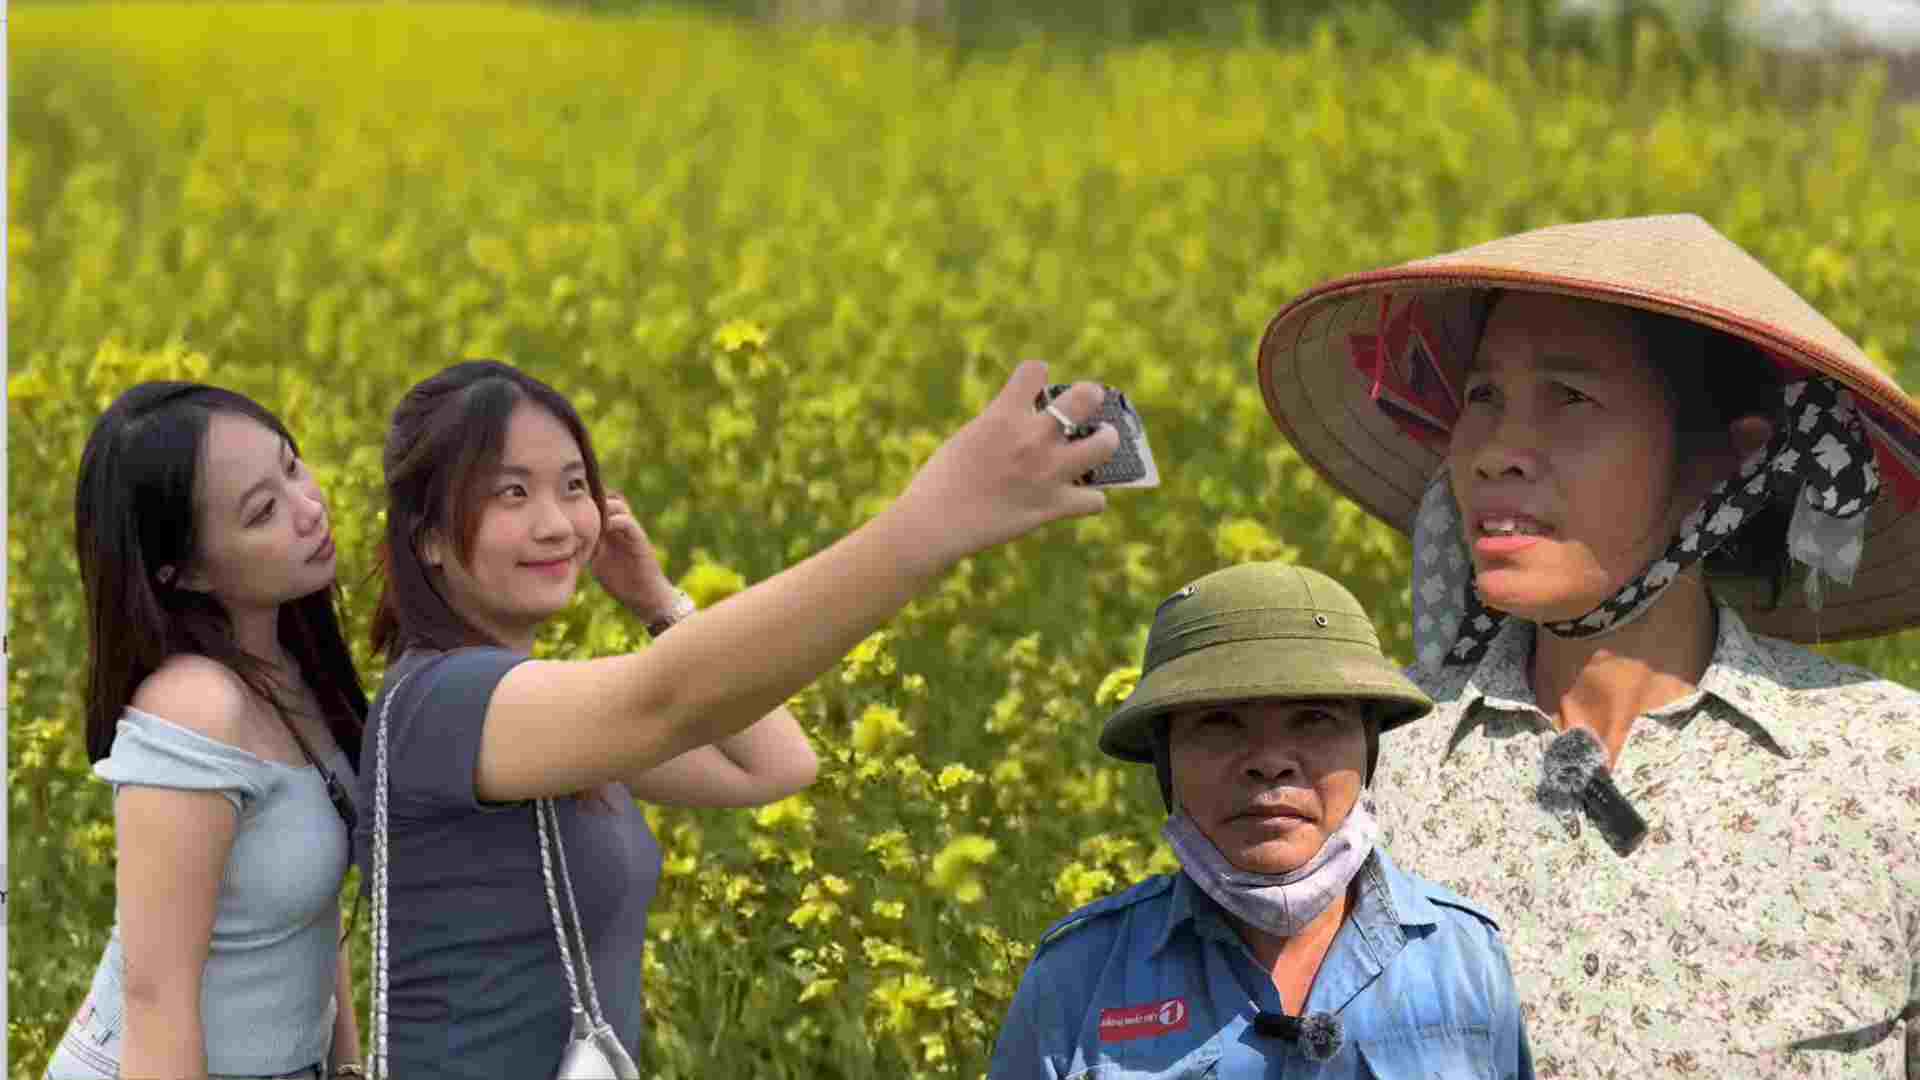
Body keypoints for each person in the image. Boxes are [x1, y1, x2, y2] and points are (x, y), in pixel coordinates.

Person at [1254, 213, 1920, 1075]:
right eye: (1483, 397)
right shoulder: (1370, 769)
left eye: (1569, 397)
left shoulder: (1886, 772)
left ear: (1726, 463)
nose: (1495, 453)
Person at [352, 358, 1123, 1078]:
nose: (557, 523)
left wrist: (659, 602)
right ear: (428, 537)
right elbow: (671, 698)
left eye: (574, 485)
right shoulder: (442, 703)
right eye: (511, 494)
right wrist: (935, 520)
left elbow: (774, 765)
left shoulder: (535, 711)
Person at [990, 561, 1535, 1078]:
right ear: (1166, 761)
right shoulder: (1077, 977)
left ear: (1368, 749)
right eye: (1220, 722)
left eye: (1314, 718)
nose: (1269, 762)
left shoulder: (1464, 960)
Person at [46, 383, 370, 1080]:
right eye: (263, 512)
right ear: (183, 572)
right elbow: (156, 998)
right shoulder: (196, 707)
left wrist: (346, 1064)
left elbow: (308, 910)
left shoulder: (294, 668)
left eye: (292, 467)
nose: (309, 508)